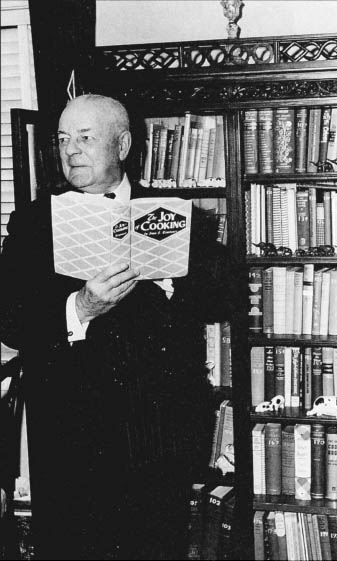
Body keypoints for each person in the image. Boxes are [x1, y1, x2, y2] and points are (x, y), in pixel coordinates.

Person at [0, 94, 233, 560]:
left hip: (154, 436)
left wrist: (171, 279)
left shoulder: (174, 215)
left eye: (85, 138)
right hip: (69, 436)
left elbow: (221, 298)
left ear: (122, 144)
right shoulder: (31, 222)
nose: (71, 151)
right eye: (64, 139)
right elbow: (10, 322)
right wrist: (80, 308)